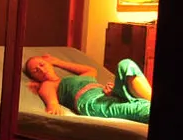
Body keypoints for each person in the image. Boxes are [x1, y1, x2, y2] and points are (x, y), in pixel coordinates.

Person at [23, 53, 152, 123]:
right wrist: (52, 105)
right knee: (143, 109)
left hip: (107, 95)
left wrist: (58, 62)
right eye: (35, 71)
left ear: (49, 64)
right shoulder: (49, 84)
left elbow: (91, 70)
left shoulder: (74, 78)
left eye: (42, 65)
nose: (41, 70)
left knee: (126, 64)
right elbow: (49, 97)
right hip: (91, 103)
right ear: (34, 77)